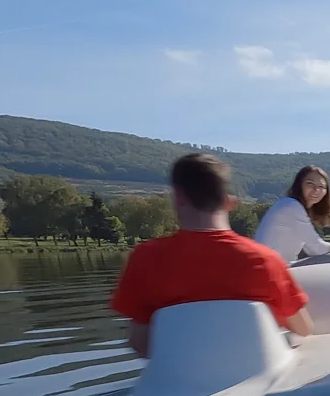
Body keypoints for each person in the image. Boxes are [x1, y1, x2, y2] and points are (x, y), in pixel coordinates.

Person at [110, 153, 314, 357]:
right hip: (253, 375)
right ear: (228, 202)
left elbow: (140, 344)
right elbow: (303, 329)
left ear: (179, 198)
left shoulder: (145, 259)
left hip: (177, 381)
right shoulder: (265, 261)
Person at [253, 165, 330, 266]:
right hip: (271, 270)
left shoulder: (290, 206)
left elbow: (310, 248)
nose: (316, 190)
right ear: (299, 186)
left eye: (321, 187)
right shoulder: (291, 206)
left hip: (275, 267)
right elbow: (316, 248)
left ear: (325, 192)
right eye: (310, 184)